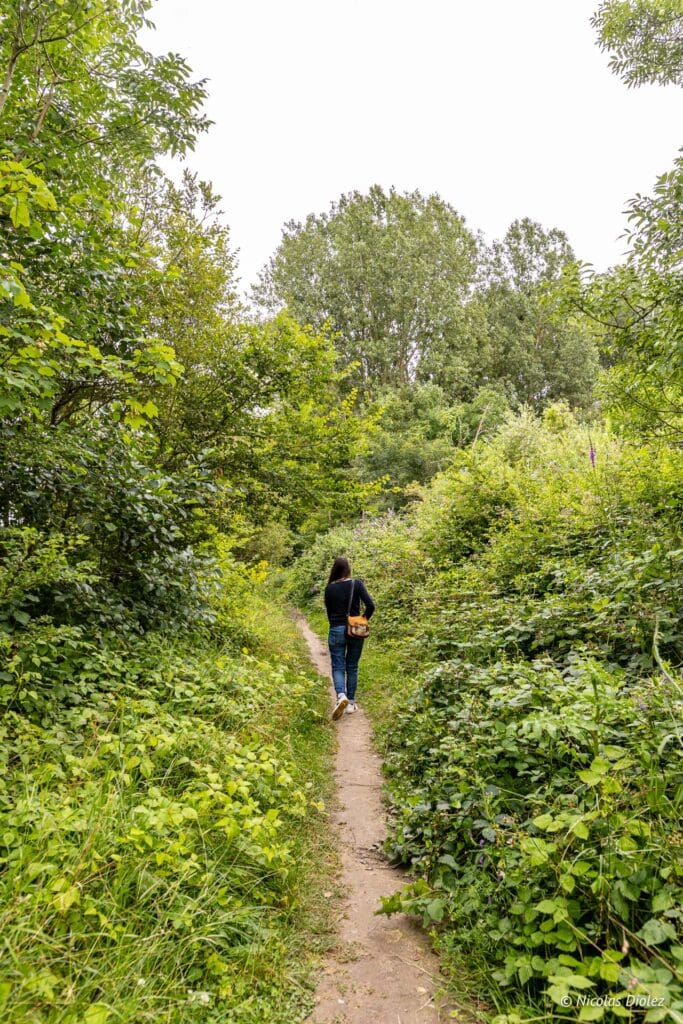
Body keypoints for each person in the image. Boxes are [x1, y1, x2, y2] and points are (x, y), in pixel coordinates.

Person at [324, 556, 375, 720]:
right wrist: (363, 619)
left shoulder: (329, 588)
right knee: (352, 666)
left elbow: (329, 613)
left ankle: (341, 695)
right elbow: (371, 605)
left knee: (338, 666)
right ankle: (351, 703)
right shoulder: (356, 584)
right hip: (355, 629)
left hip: (336, 629)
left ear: (334, 570)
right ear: (348, 569)